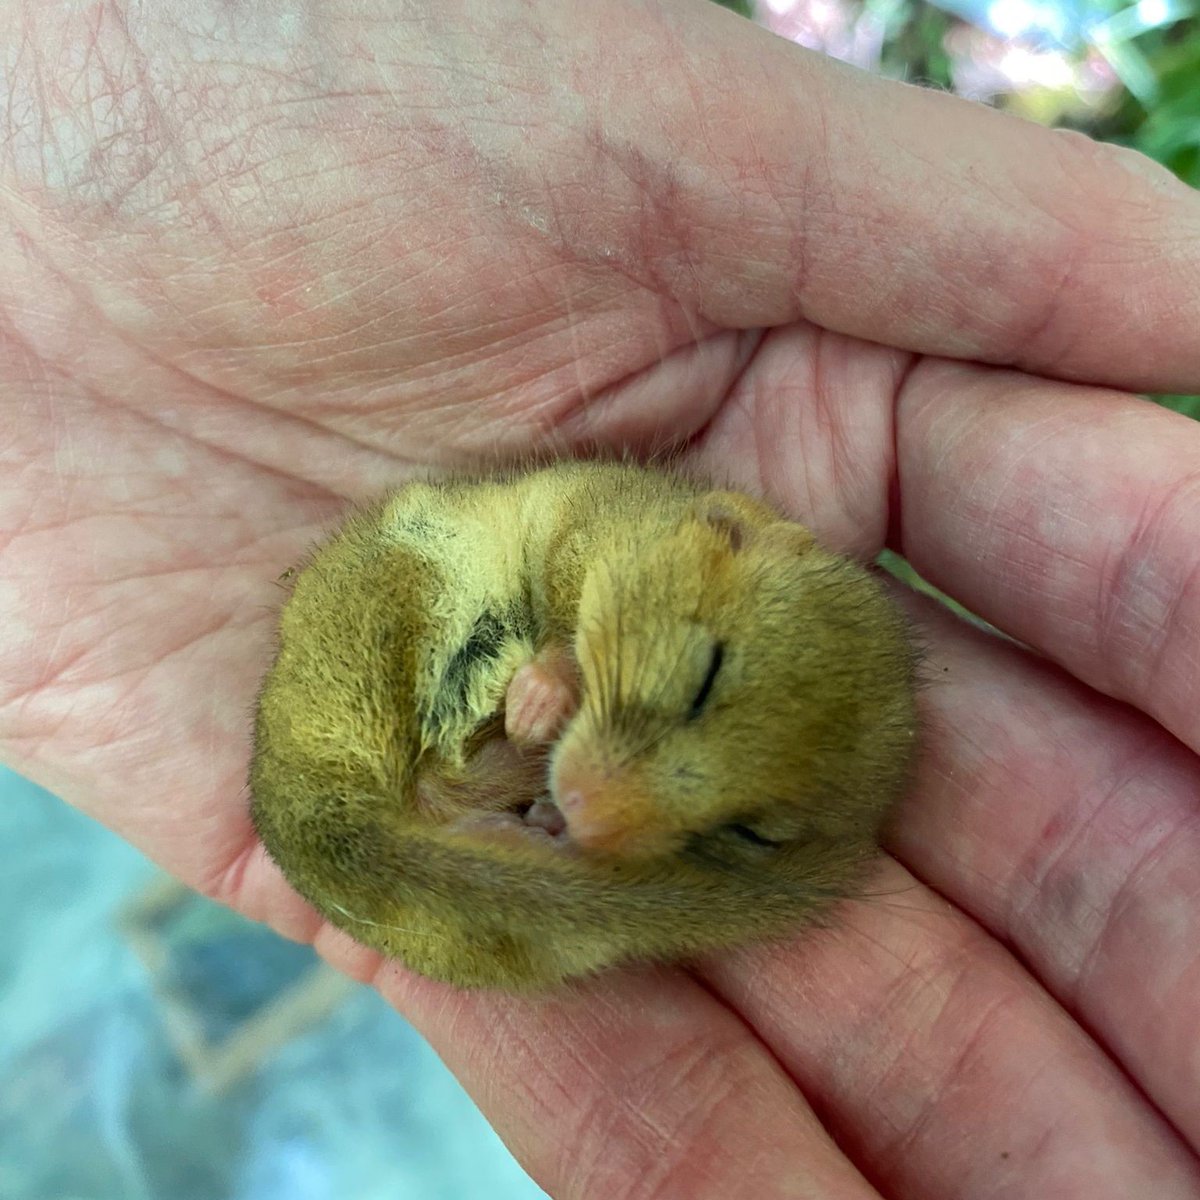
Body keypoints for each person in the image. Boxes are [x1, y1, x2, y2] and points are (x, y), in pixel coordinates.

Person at [3, 2, 1199, 1195]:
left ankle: (455, 835)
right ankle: (428, 822)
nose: (609, 806)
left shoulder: (723, 753)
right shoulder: (638, 532)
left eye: (732, 823)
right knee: (404, 676)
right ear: (723, 541)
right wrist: (564, 668)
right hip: (424, 621)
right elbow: (552, 552)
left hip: (436, 800)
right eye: (692, 684)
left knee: (514, 901)